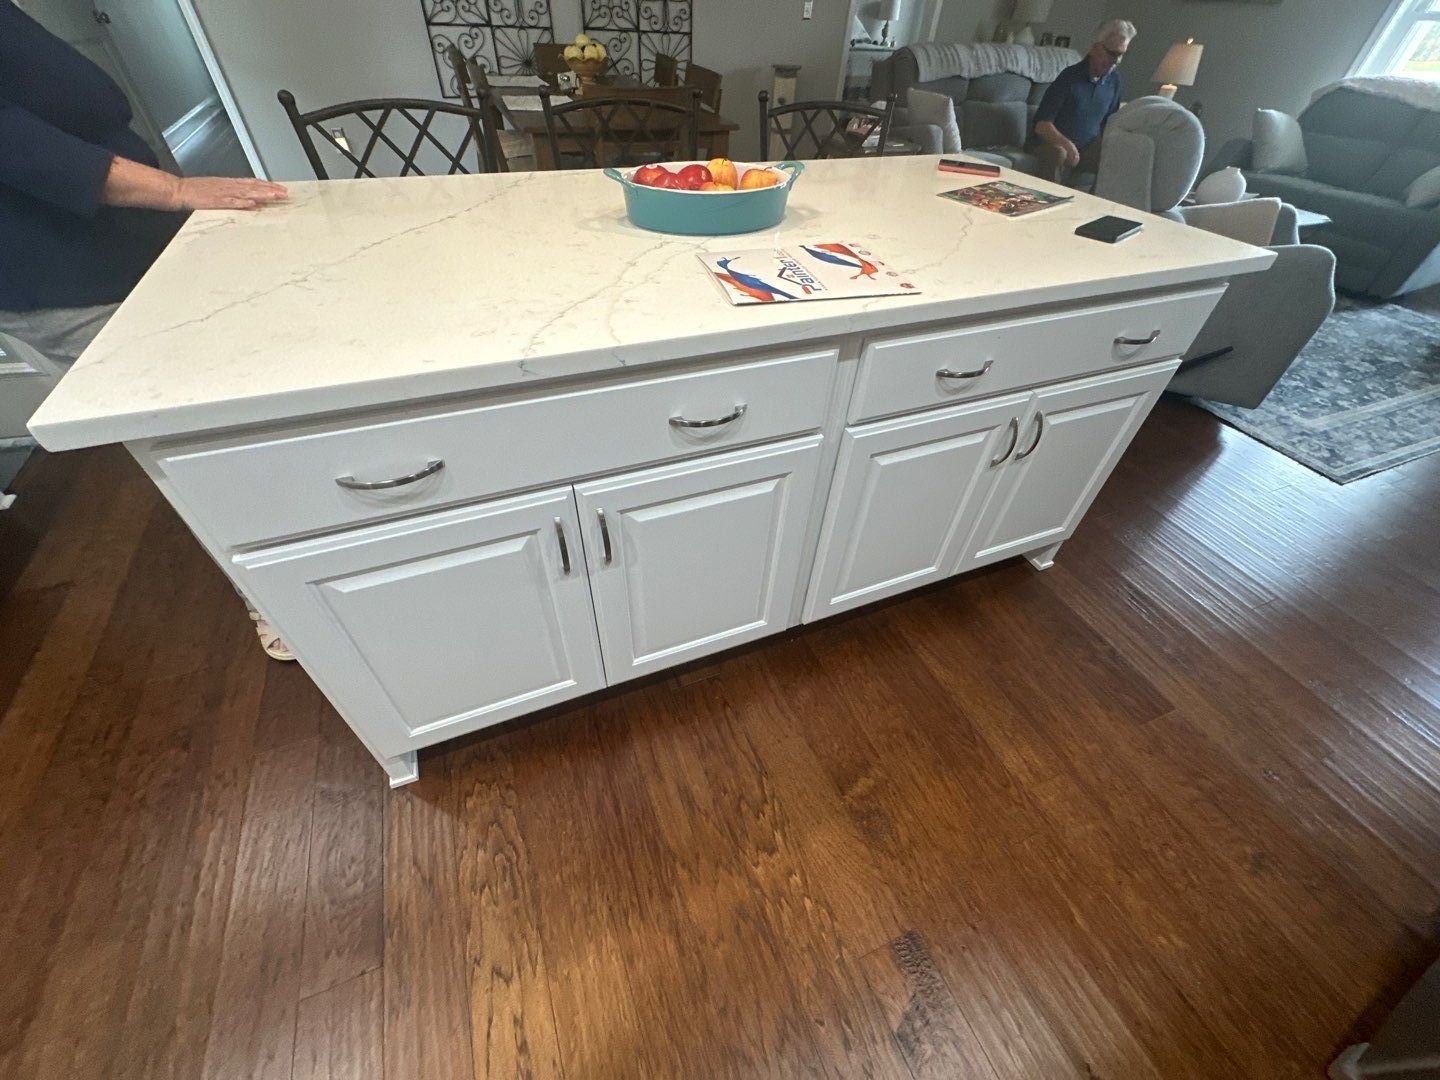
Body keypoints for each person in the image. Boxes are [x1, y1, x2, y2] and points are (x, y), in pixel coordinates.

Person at [1, 0, 294, 658]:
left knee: (226, 421)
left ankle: (293, 566)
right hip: (65, 273)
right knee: (200, 442)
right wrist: (172, 191)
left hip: (126, 247)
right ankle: (278, 598)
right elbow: (15, 143)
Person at [1031, 19, 1137, 185]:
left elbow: (1109, 125)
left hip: (1087, 148)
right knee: (1059, 153)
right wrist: (1067, 145)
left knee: (1117, 156)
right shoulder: (1069, 77)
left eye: (1121, 55)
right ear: (1095, 47)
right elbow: (1042, 125)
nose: (1116, 61)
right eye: (1111, 53)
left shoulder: (1114, 82)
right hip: (1051, 145)